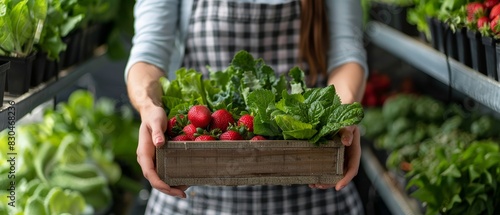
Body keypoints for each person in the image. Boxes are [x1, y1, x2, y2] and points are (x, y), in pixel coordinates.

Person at [125, 0, 368, 214]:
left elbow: (346, 53)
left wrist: (340, 116)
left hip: (314, 191)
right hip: (194, 194)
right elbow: (148, 55)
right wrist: (149, 106)